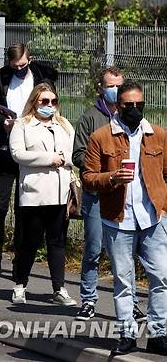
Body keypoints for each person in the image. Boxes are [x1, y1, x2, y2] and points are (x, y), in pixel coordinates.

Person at [82, 81, 167, 357]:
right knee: (123, 280)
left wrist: (164, 206)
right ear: (117, 105)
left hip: (152, 218)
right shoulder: (101, 137)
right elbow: (88, 177)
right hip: (118, 220)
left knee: (161, 277)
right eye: (128, 105)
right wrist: (112, 178)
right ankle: (127, 333)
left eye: (139, 105)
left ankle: (158, 334)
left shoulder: (158, 135)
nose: (134, 110)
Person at [73, 68, 146, 323]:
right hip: (97, 194)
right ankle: (89, 300)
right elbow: (78, 155)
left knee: (127, 255)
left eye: (119, 85)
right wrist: (105, 167)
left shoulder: (133, 117)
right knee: (93, 249)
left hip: (127, 197)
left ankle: (133, 304)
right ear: (101, 88)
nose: (114, 90)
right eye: (109, 85)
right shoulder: (91, 118)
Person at [0, 43, 58, 282]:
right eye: (15, 66)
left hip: (31, 151)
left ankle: (19, 261)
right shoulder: (2, 78)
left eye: (23, 65)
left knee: (24, 208)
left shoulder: (41, 77)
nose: (20, 69)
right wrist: (1, 121)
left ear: (30, 59)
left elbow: (51, 105)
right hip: (6, 148)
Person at [8, 83, 76, 306]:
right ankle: (20, 285)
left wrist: (64, 160)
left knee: (57, 242)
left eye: (53, 102)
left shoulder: (64, 125)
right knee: (30, 241)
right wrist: (49, 158)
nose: (49, 106)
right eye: (44, 101)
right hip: (35, 193)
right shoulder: (23, 124)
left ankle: (59, 288)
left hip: (59, 192)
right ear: (34, 102)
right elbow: (18, 154)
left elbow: (72, 153)